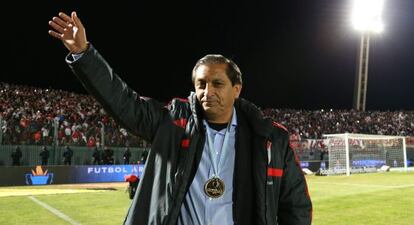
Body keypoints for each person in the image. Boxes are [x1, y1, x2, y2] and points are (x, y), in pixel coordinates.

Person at [48, 11, 312, 225]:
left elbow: (295, 206)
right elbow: (124, 102)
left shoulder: (269, 139)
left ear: (237, 89)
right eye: (201, 84)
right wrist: (84, 54)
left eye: (217, 84)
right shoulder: (173, 123)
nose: (208, 92)